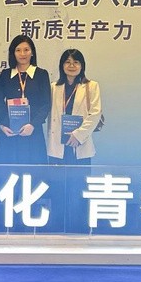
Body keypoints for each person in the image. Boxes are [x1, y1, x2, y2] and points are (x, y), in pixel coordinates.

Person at [46, 48, 102, 232]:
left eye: (76, 62)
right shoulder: (54, 87)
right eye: (67, 62)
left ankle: (78, 229)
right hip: (58, 146)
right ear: (62, 65)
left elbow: (95, 114)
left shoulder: (91, 86)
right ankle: (57, 228)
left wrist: (78, 135)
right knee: (57, 189)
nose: (71, 66)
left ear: (82, 65)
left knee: (78, 189)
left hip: (80, 145)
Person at [0, 34, 51, 165]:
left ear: (32, 52)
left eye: (26, 50)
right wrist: (2, 125)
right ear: (13, 53)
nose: (22, 54)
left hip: (33, 132)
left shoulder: (41, 74)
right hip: (9, 132)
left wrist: (33, 124)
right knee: (8, 171)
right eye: (18, 50)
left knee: (33, 171)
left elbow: (46, 104)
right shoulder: (5, 74)